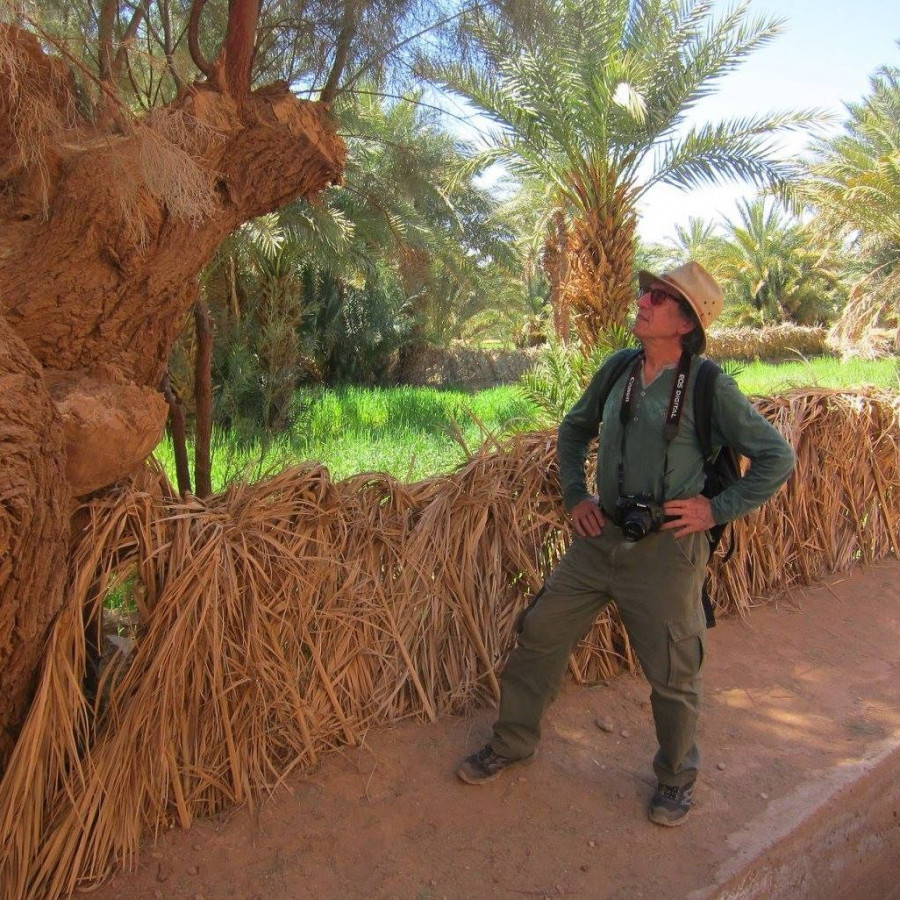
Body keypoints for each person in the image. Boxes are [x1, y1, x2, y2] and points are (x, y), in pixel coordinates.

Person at [456, 261, 795, 826]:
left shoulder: (711, 386)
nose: (644, 300)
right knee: (540, 632)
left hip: (666, 552)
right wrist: (575, 495)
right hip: (598, 538)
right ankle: (512, 742)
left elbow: (776, 458)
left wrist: (716, 508)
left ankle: (676, 778)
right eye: (647, 291)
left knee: (673, 670)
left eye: (660, 297)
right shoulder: (619, 369)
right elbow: (573, 430)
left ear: (685, 323)